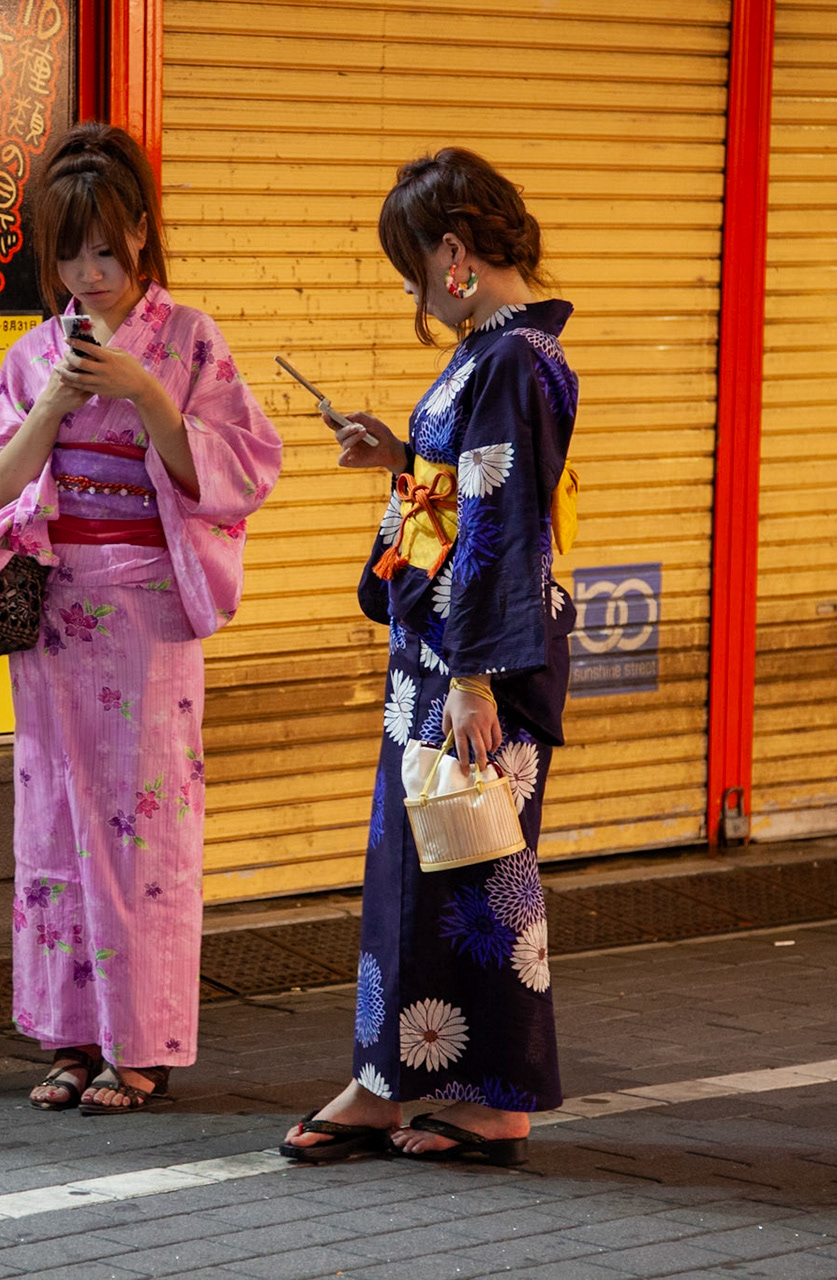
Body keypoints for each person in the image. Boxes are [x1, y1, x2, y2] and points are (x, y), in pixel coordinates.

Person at [0, 123, 282, 1116]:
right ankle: (68, 1034)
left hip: (145, 612)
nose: (87, 273)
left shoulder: (190, 343)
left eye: (104, 247)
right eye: (67, 252)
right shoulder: (31, 355)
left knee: (143, 830)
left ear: (141, 234)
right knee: (55, 821)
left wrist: (147, 394)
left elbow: (239, 473)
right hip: (54, 616)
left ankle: (139, 1043)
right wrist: (51, 404)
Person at [282, 148, 579, 1164]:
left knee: (476, 869)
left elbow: (501, 520)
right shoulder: (502, 355)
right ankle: (397, 1078)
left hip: (470, 665)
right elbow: (468, 490)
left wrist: (472, 675)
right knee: (433, 873)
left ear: (456, 254)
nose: (417, 292)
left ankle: (475, 1096)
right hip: (453, 653)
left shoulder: (507, 363)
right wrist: (402, 456)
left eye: (414, 270)